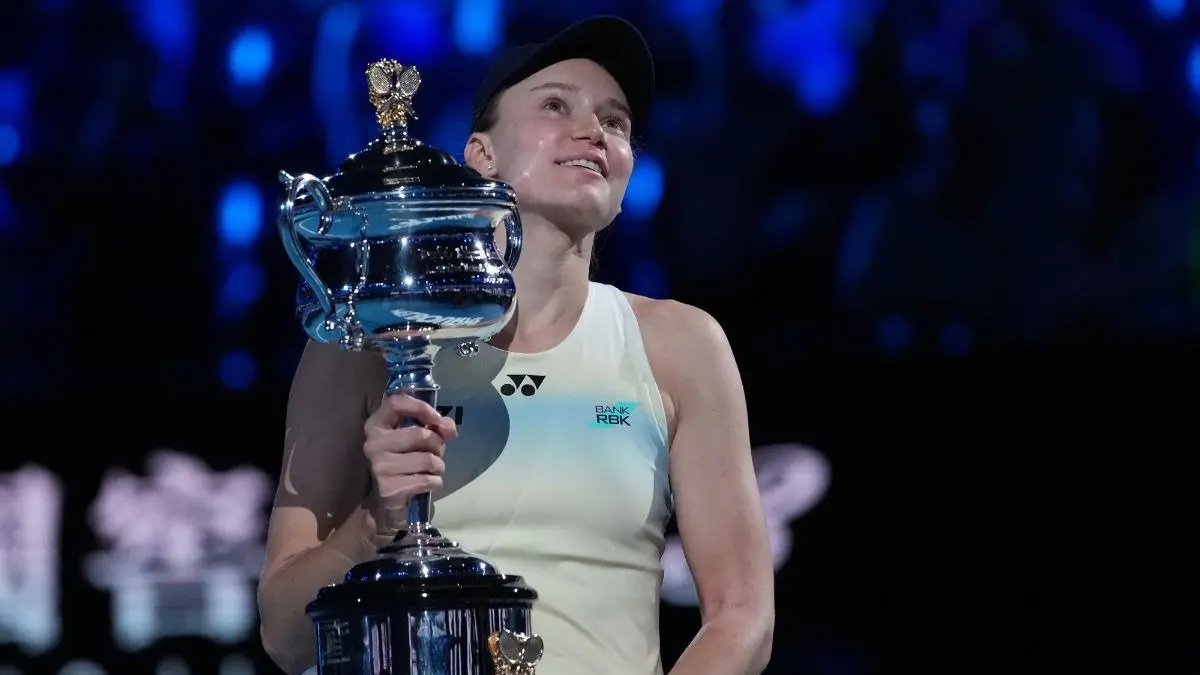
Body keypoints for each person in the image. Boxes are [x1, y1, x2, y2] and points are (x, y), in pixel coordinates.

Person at [257, 15, 774, 675]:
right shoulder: (366, 339)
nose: (594, 130)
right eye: (557, 105)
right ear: (481, 154)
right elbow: (284, 633)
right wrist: (378, 520)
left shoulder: (682, 345)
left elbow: (742, 615)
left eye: (615, 122)